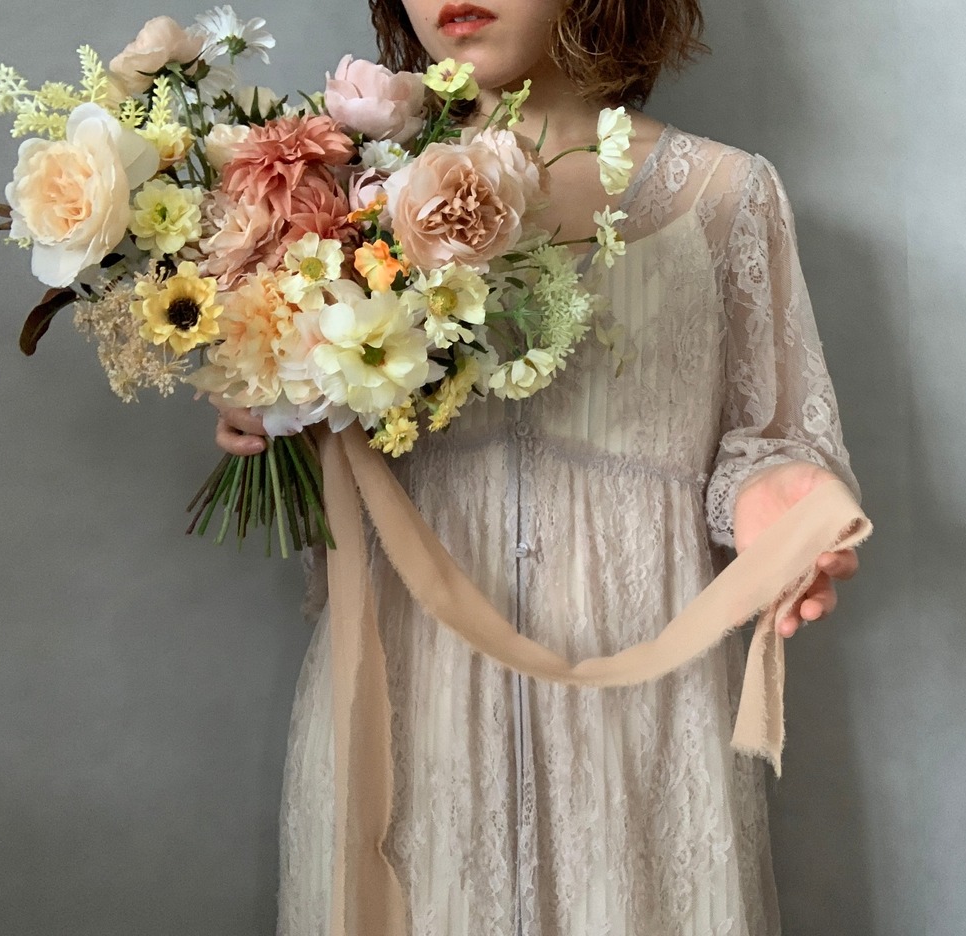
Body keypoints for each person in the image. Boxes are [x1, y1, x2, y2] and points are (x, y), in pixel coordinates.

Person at [214, 0, 862, 932]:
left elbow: (763, 436)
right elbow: (337, 464)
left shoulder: (727, 195)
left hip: (639, 716)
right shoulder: (342, 196)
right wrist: (272, 392)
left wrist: (773, 498)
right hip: (414, 706)